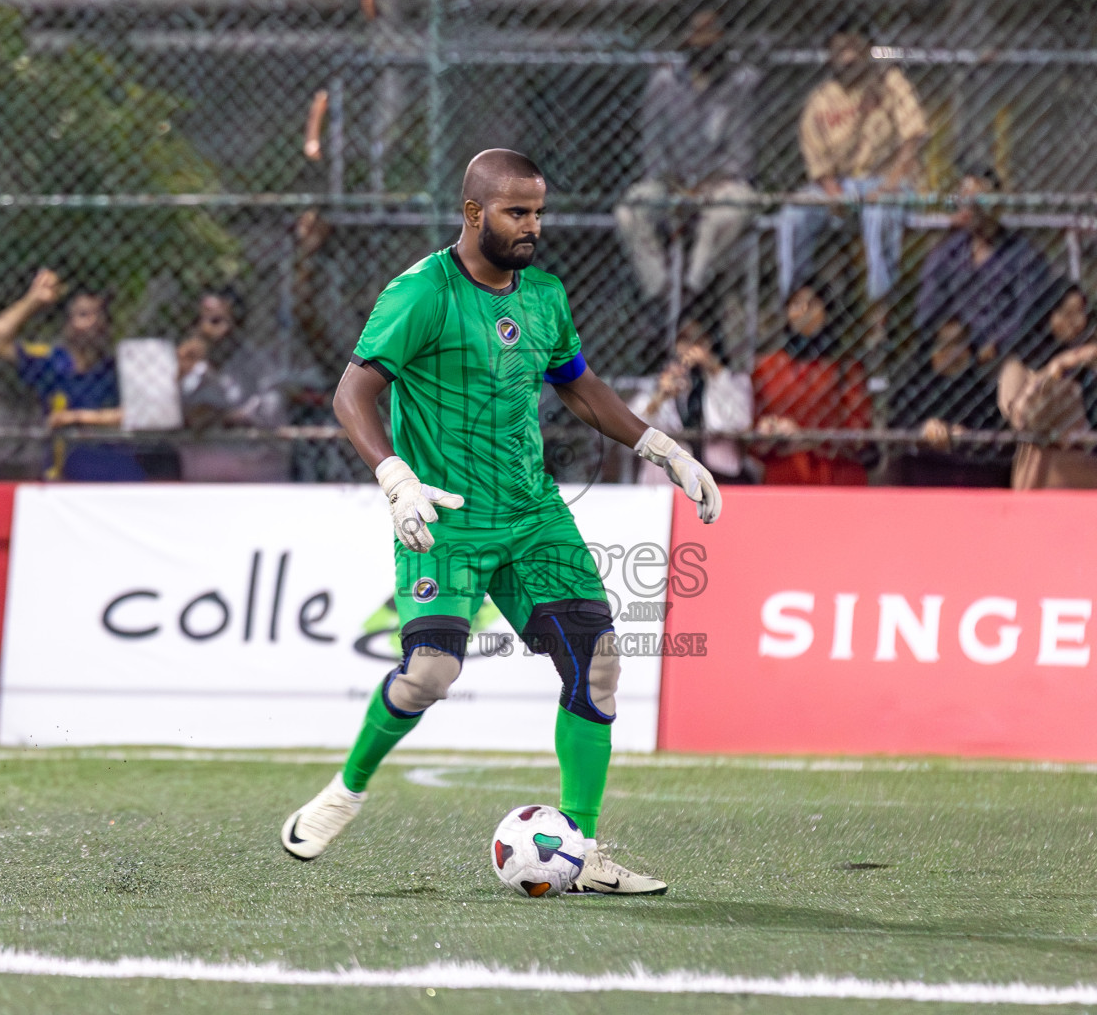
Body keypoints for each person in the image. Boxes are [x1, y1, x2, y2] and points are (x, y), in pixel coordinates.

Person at [281, 149, 723, 894]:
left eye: (539, 213)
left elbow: (578, 387)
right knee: (429, 674)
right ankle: (345, 792)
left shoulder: (544, 294)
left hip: (532, 513)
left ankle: (579, 852)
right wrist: (395, 476)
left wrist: (660, 447)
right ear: (473, 214)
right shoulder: (421, 292)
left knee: (600, 662)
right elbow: (352, 394)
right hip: (447, 518)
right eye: (517, 213)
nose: (532, 228)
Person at [614, 7, 759, 326]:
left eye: (712, 32)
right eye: (697, 31)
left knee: (738, 205)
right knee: (629, 210)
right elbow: (652, 148)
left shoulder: (739, 83)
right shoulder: (664, 83)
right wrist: (674, 184)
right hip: (671, 185)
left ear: (723, 37)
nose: (704, 40)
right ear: (685, 36)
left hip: (718, 186)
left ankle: (693, 290)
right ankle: (662, 292)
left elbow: (740, 153)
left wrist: (710, 184)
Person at [778, 18, 928, 305]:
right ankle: (797, 302)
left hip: (889, 180)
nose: (847, 57)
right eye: (839, 49)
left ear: (869, 50)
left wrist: (890, 184)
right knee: (793, 214)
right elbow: (817, 162)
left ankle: (879, 307)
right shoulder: (820, 99)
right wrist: (834, 194)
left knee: (879, 211)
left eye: (855, 48)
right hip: (842, 185)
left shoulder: (890, 82)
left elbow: (913, 138)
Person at [0, 268, 143, 481]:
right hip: (65, 477)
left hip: (120, 476)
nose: (92, 322)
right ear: (67, 324)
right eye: (83, 315)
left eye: (98, 315)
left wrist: (79, 418)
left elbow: (141, 414)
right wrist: (33, 300)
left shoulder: (118, 368)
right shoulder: (51, 361)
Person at [997, 279, 1097, 490]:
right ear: (1046, 315)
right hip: (1048, 479)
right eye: (1065, 313)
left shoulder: (1094, 359)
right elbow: (1019, 418)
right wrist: (1059, 367)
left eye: (1079, 313)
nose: (1074, 322)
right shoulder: (1020, 366)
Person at [916, 165, 1053, 363]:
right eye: (964, 200)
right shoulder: (948, 252)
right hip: (955, 348)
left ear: (996, 204)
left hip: (1002, 353)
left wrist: (997, 343)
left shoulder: (1022, 254)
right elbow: (929, 302)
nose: (969, 208)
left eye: (978, 201)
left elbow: (1027, 312)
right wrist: (943, 335)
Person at [751, 279, 872, 485]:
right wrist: (767, 431)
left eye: (813, 304)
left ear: (826, 311)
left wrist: (807, 435)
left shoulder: (844, 367)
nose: (804, 311)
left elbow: (859, 427)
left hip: (834, 472)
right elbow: (752, 424)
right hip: (784, 472)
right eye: (797, 304)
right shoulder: (766, 366)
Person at [177, 286, 293, 482]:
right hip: (200, 481)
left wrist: (220, 416)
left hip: (253, 477)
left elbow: (271, 412)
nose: (225, 329)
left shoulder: (260, 366)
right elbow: (164, 412)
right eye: (213, 321)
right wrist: (179, 373)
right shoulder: (187, 367)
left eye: (232, 321)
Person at [626, 318, 753, 484]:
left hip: (719, 475)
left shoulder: (733, 380)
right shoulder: (661, 382)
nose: (691, 348)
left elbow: (740, 422)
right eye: (685, 340)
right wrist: (659, 398)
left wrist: (715, 371)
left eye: (699, 341)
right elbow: (630, 429)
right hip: (670, 478)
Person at [890, 318, 1010, 487]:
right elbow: (897, 427)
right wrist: (923, 429)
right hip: (924, 479)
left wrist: (971, 438)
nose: (952, 352)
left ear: (969, 350)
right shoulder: (914, 388)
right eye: (944, 344)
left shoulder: (983, 390)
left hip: (972, 480)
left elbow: (998, 434)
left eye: (958, 343)